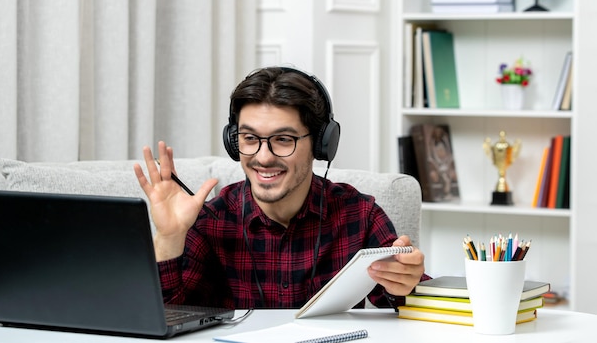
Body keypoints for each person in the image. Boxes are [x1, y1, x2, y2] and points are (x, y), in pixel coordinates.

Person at [133, 66, 427, 309]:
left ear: (321, 144)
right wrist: (168, 238)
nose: (263, 157)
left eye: (283, 140)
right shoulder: (210, 222)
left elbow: (414, 307)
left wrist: (408, 282)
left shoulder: (359, 215)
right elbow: (164, 320)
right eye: (249, 139)